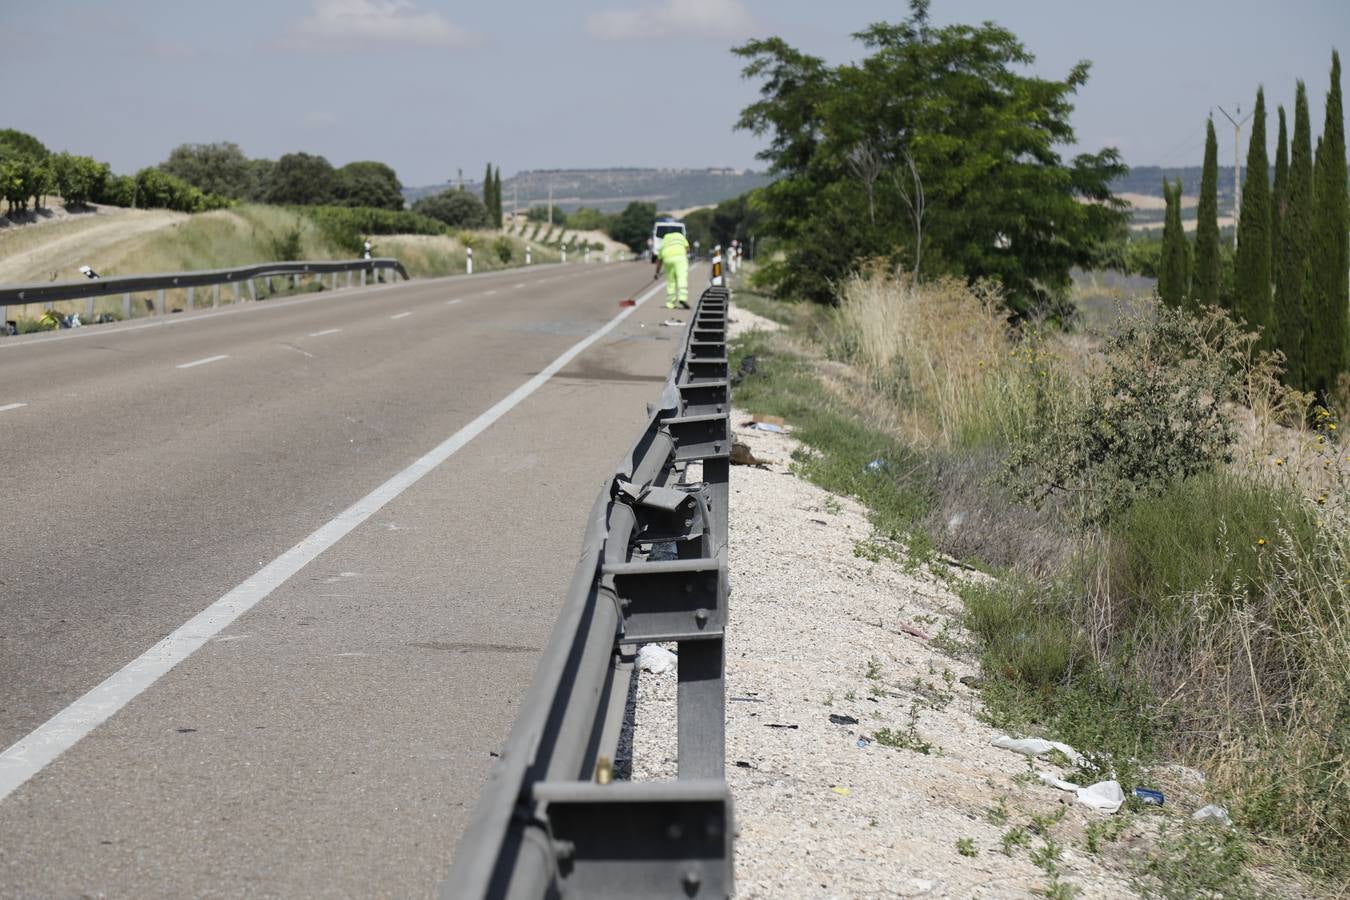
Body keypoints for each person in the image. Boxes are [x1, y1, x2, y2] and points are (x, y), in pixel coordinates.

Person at [653, 228, 690, 309]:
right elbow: (687, 248)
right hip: (680, 258)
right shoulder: (680, 236)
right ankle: (682, 298)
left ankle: (670, 303)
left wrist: (657, 273)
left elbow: (659, 260)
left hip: (667, 259)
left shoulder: (664, 240)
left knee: (671, 281)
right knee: (681, 277)